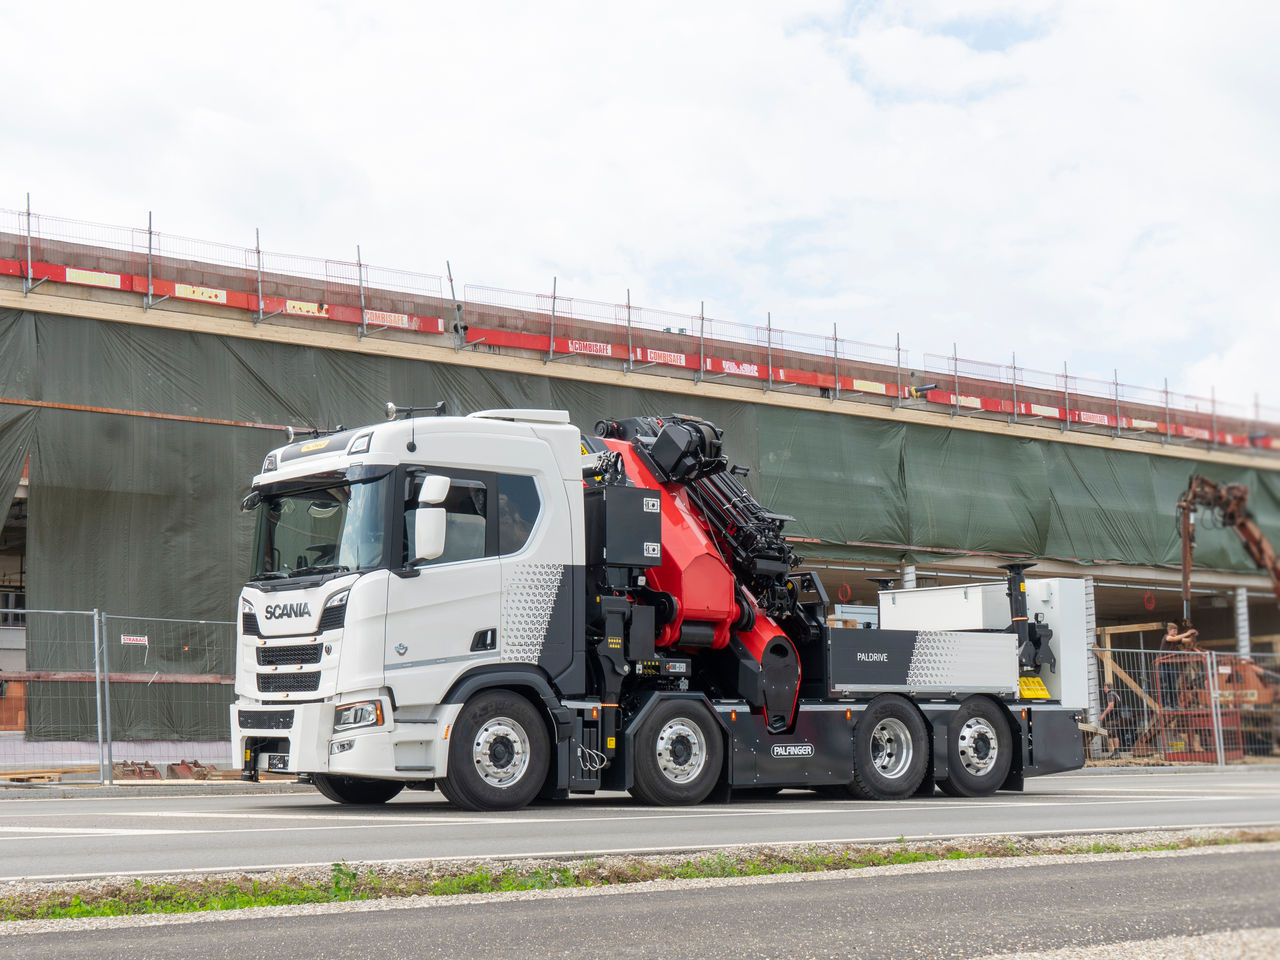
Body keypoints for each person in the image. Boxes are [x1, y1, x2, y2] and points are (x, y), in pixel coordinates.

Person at [1098, 683, 1124, 758]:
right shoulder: (1116, 694)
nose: (1103, 689)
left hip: (1113, 718)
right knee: (1112, 734)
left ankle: (1116, 752)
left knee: (1113, 733)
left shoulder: (1110, 694)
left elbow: (1111, 706)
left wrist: (1103, 715)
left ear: (1107, 687)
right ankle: (1116, 752)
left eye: (1104, 687)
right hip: (1117, 717)